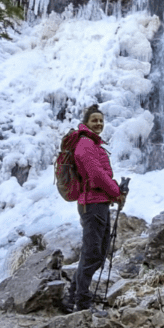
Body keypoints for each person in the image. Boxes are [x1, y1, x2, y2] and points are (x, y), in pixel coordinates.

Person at [64, 104, 125, 313]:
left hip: (97, 202)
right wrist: (116, 191)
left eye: (101, 120)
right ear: (86, 123)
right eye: (94, 120)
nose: (99, 123)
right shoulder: (86, 144)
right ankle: (81, 305)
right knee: (93, 254)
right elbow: (97, 175)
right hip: (92, 205)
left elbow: (98, 176)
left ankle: (72, 298)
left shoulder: (90, 143)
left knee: (94, 253)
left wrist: (113, 194)